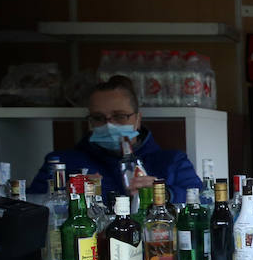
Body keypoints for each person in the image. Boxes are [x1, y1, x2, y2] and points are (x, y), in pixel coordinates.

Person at [27, 75, 201, 199]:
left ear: (138, 119)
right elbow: (32, 207)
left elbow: (203, 200)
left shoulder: (172, 161)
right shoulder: (60, 163)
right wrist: (63, 196)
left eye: (119, 116)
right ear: (89, 122)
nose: (109, 125)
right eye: (98, 118)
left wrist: (165, 193)